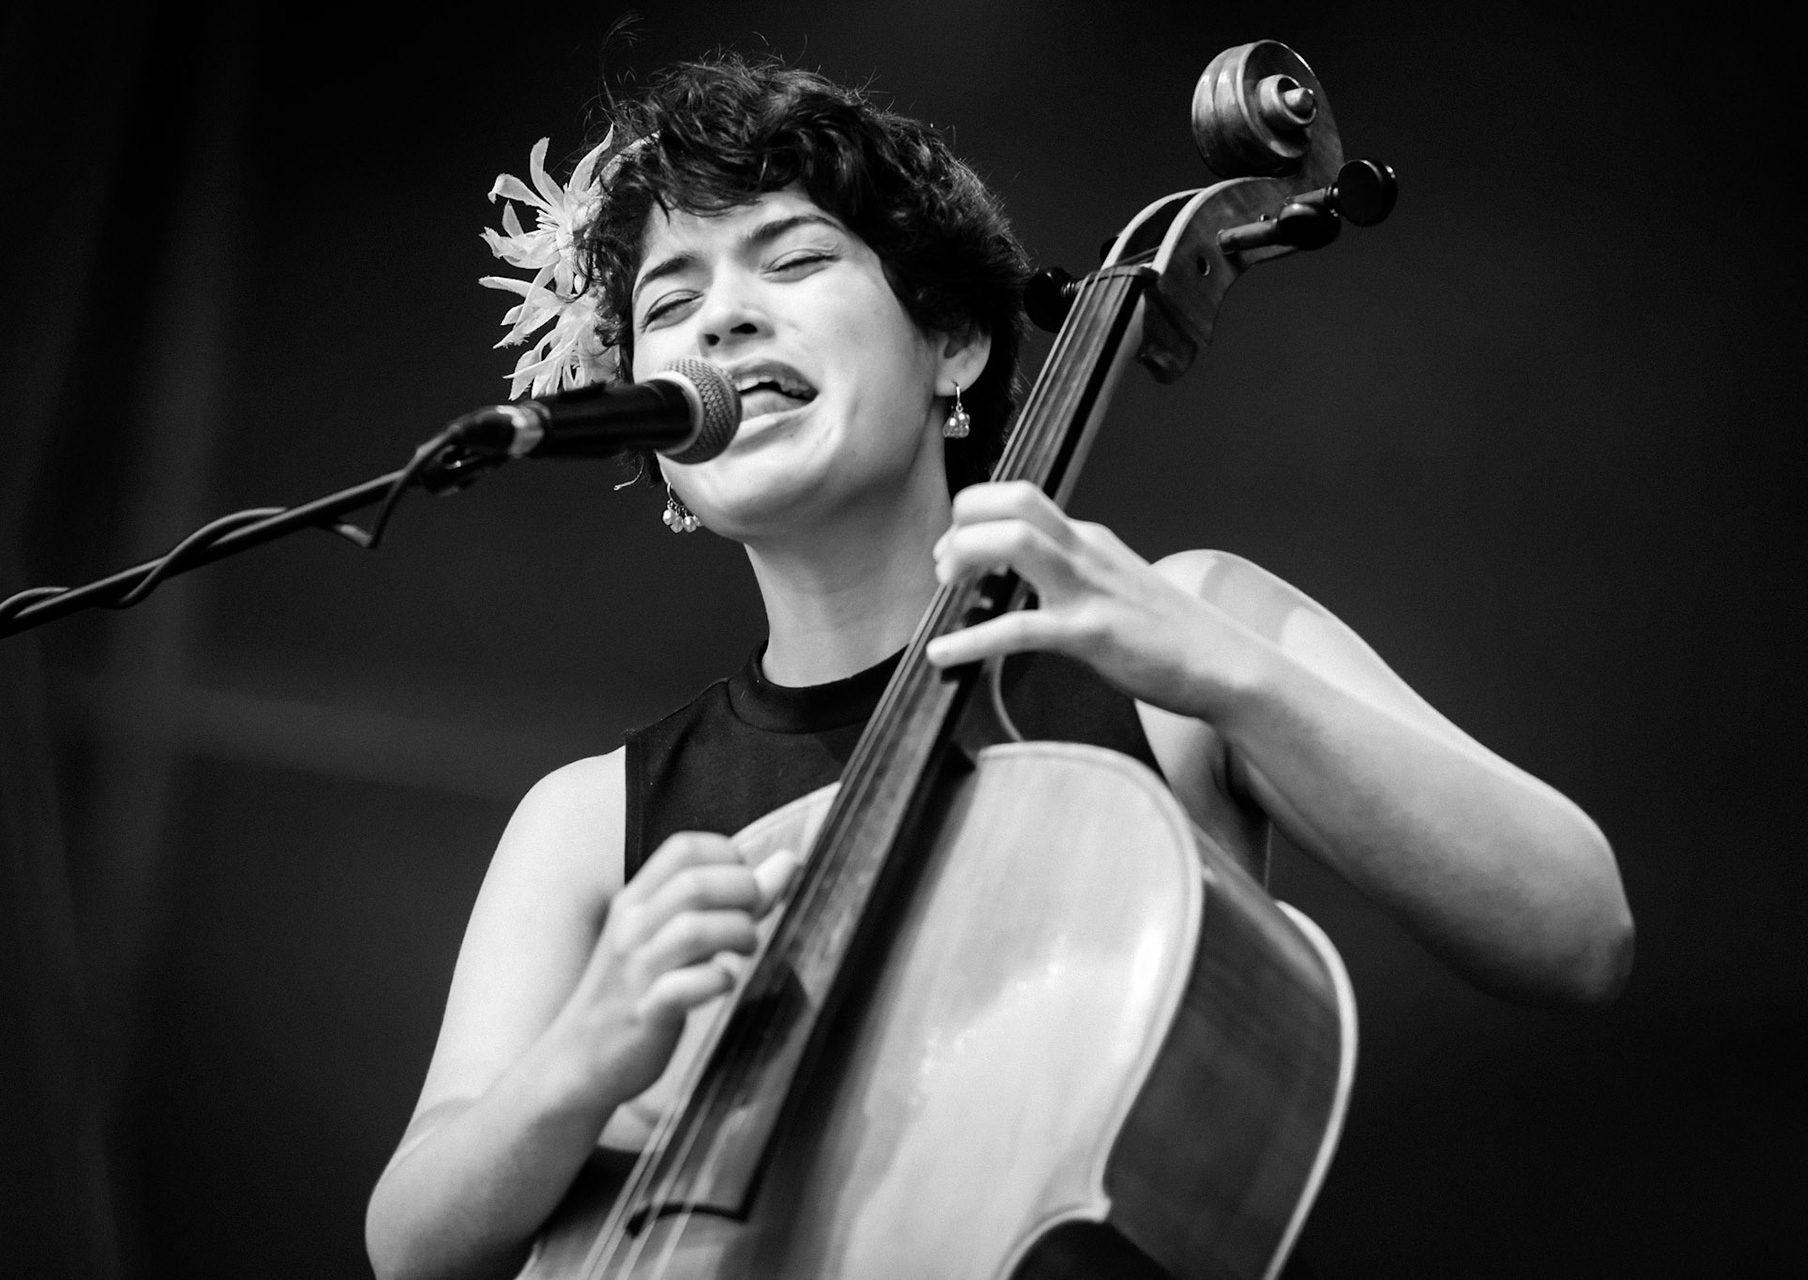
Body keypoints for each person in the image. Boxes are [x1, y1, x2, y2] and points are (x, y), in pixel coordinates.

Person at [363, 55, 1634, 1280]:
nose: (725, 314)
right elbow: (410, 1240)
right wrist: (588, 1053)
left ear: (955, 346)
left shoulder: (1177, 628)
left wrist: (1232, 675)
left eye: (796, 259)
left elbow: (1575, 928)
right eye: (670, 301)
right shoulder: (589, 818)